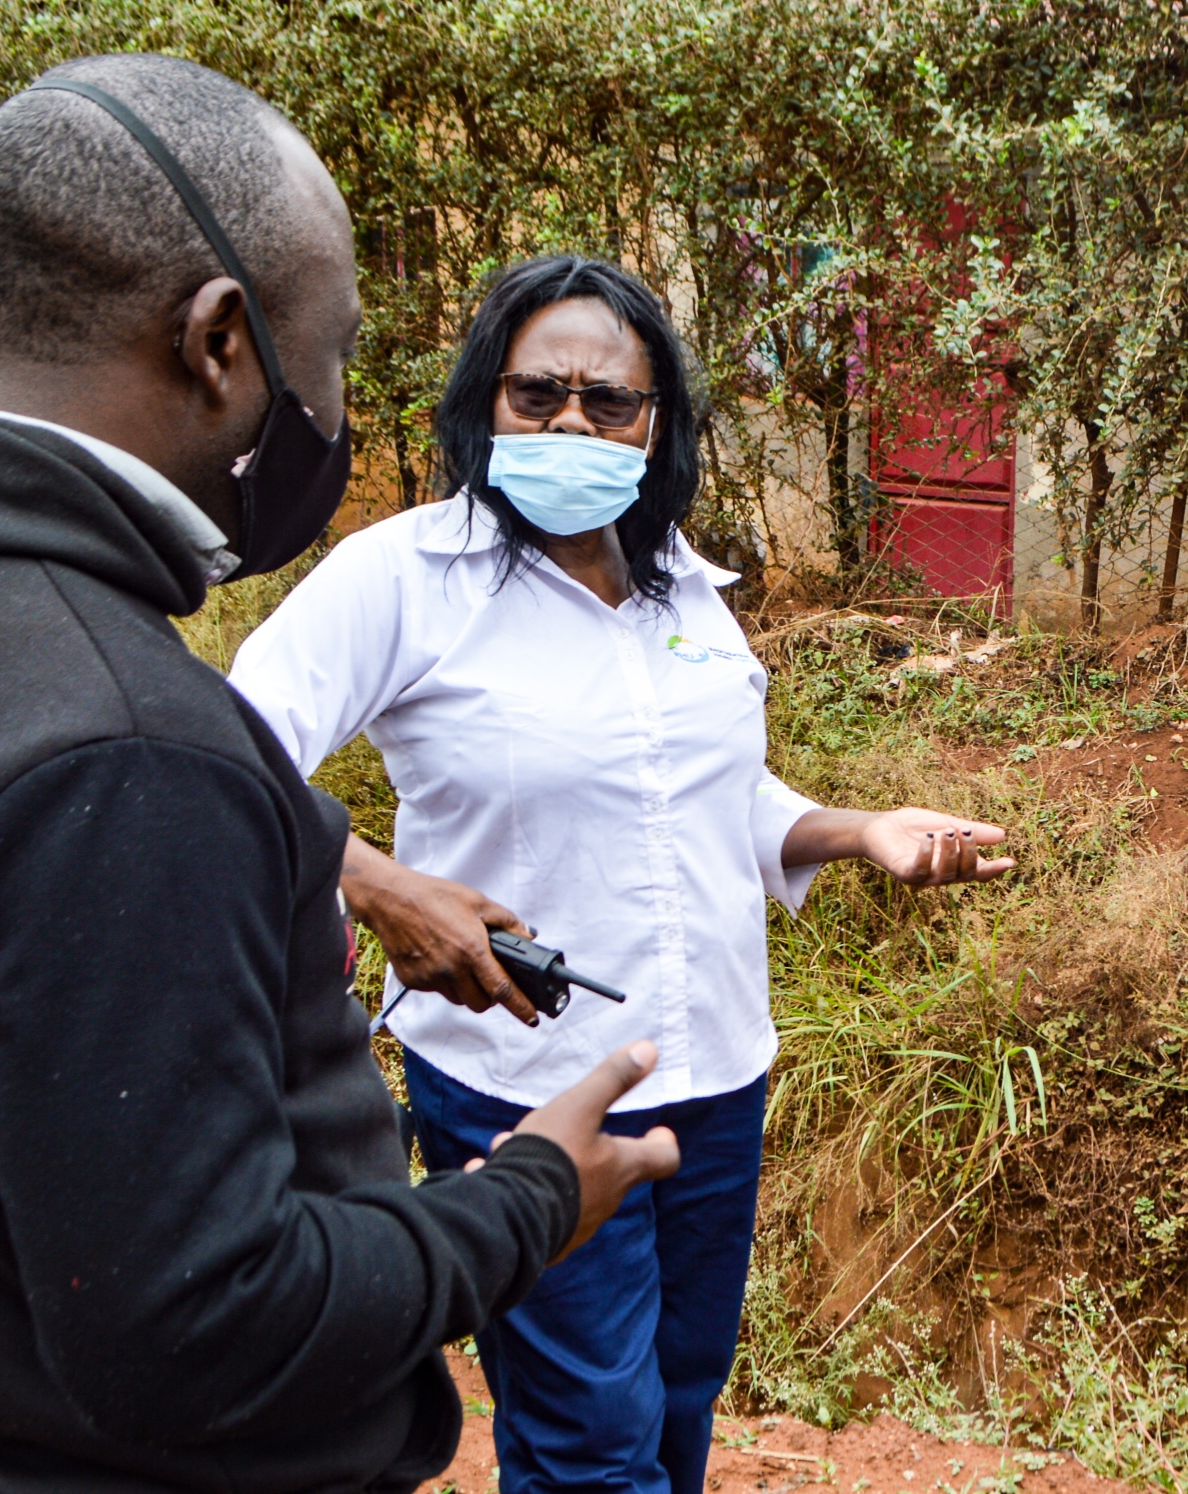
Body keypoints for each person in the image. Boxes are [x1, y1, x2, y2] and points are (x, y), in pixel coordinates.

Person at [0, 55, 678, 1493]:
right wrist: (528, 1199)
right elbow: (201, 1321)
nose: (337, 404)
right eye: (331, 350)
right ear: (224, 341)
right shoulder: (121, 746)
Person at [226, 253, 1015, 1494]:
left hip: (714, 1078)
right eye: (539, 396)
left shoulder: (684, 590)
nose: (572, 423)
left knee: (678, 1411)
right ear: (487, 401)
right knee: (591, 1448)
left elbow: (701, 797)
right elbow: (226, 754)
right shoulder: (405, 578)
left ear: (657, 425)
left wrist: (856, 830)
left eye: (609, 402)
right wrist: (375, 884)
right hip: (521, 1088)